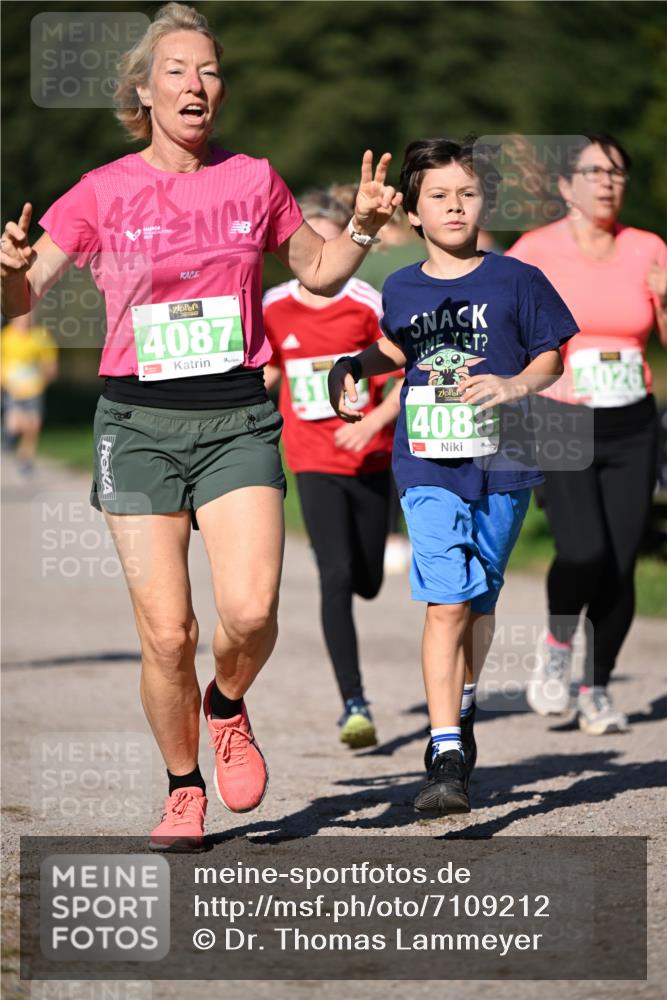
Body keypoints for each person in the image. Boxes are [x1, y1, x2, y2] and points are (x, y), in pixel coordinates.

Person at [0, 1, 401, 851]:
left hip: (235, 417)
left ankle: (226, 705)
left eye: (209, 70)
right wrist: (6, 270)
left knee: (250, 613)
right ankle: (184, 789)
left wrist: (362, 228)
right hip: (136, 424)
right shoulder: (102, 190)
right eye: (177, 70)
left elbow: (321, 273)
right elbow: (25, 293)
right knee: (168, 632)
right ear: (143, 92)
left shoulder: (253, 178)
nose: (196, 83)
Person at [328, 136, 577, 816]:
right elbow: (390, 349)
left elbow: (551, 358)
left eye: (466, 193)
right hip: (427, 464)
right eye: (437, 196)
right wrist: (351, 368)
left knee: (480, 602)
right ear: (412, 212)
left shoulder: (515, 278)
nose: (454, 205)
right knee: (445, 601)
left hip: (503, 463)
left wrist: (511, 383)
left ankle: (460, 702)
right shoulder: (401, 285)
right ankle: (445, 752)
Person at [507, 133, 667, 734]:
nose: (608, 181)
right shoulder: (534, 249)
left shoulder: (649, 247)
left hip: (631, 419)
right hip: (557, 413)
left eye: (618, 172)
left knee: (620, 564)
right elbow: (505, 325)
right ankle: (555, 643)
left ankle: (595, 688)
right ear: (565, 185)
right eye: (595, 171)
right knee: (583, 550)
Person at [263, 191, 401, 748]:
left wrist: (371, 424)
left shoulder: (367, 302)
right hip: (311, 455)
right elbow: (270, 371)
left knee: (366, 578)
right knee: (336, 576)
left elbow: (402, 371)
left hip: (371, 455)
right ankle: (354, 703)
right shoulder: (273, 305)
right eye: (308, 243)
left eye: (329, 241)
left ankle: (358, 558)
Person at [1, 311, 58, 475]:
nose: (25, 321)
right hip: (13, 390)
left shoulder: (40, 336)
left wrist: (47, 375)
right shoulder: (6, 338)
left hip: (34, 389)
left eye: (28, 317)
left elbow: (49, 361)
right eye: (21, 317)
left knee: (33, 426)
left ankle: (26, 460)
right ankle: (8, 436)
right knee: (15, 424)